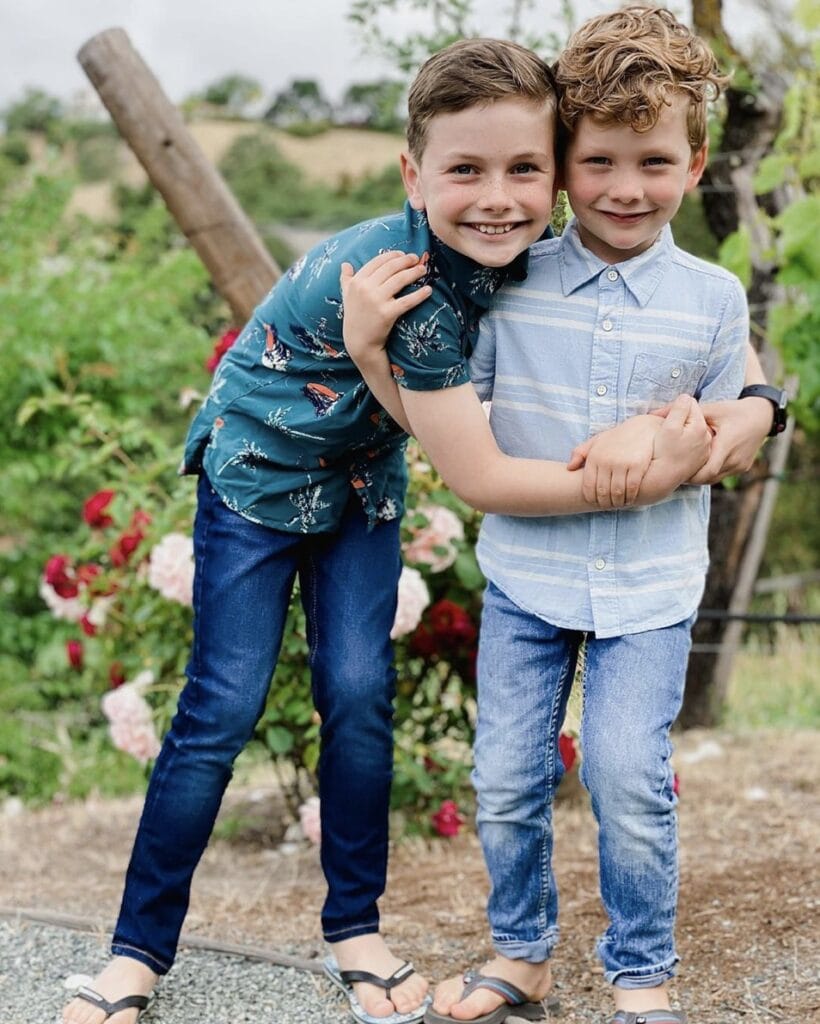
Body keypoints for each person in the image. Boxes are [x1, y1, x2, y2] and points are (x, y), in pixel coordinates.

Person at [61, 36, 720, 1024]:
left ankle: (356, 928)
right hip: (259, 480)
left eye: (524, 169)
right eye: (465, 171)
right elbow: (475, 469)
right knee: (222, 707)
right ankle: (134, 953)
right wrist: (638, 470)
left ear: (553, 173)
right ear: (411, 174)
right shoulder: (405, 286)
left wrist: (740, 407)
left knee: (361, 694)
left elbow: (695, 317)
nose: (497, 197)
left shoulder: (521, 261)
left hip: (359, 486)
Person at [340, 9, 784, 1024]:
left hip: (650, 585)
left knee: (629, 777)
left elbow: (736, 424)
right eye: (598, 161)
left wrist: (693, 438)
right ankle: (522, 954)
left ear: (697, 159)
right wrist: (376, 364)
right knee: (503, 773)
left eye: (655, 160)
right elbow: (463, 430)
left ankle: (641, 974)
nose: (626, 188)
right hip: (527, 576)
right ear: (562, 161)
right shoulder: (508, 285)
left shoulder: (713, 301)